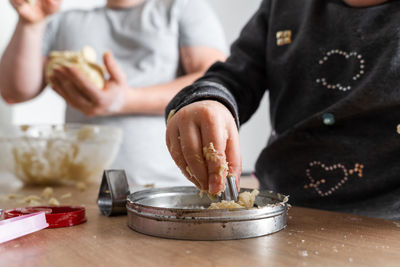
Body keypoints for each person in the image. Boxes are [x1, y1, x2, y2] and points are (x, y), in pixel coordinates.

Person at [165, 0, 400, 219]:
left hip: (387, 221)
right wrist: (208, 100)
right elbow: (234, 77)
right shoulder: (284, 6)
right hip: (283, 208)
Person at [0, 0, 227, 187]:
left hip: (166, 186)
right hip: (82, 188)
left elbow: (212, 79)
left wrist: (125, 101)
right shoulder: (64, 21)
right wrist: (30, 24)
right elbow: (14, 91)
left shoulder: (181, 7)